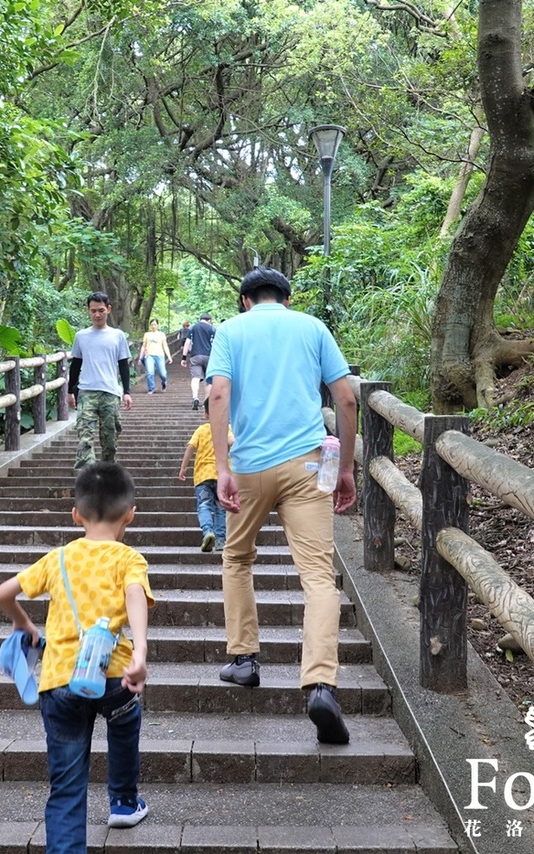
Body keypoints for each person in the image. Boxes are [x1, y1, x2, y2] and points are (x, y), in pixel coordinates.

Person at [205, 267, 358, 745]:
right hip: (308, 466)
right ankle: (320, 684)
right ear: (286, 299)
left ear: (246, 300)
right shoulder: (312, 327)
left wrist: (222, 467)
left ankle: (245, 659)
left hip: (250, 465)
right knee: (316, 575)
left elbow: (218, 394)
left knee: (237, 557)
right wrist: (347, 468)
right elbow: (347, 399)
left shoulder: (230, 330)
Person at [0, 462, 155, 851]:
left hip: (60, 680)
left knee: (66, 787)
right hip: (114, 675)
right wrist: (142, 648)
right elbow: (135, 595)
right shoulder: (128, 558)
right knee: (125, 715)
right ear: (130, 513)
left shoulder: (57, 559)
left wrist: (26, 627)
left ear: (76, 514)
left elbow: (2, 594)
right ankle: (123, 801)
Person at [68, 292, 133, 470]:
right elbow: (76, 364)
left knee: (110, 439)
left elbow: (123, 365)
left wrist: (127, 392)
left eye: (101, 310)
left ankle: (107, 474)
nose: (97, 315)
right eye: (93, 311)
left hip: (110, 392)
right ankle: (85, 477)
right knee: (85, 436)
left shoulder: (118, 336)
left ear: (108, 310)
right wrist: (69, 391)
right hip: (86, 391)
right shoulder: (81, 336)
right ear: (88, 311)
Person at [177, 399, 233, 552]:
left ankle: (208, 532)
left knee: (204, 505)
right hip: (221, 476)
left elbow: (190, 447)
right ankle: (221, 540)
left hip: (202, 477)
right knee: (221, 508)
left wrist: (183, 468)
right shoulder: (227, 429)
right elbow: (232, 442)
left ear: (206, 414)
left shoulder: (201, 430)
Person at [180, 312, 216, 411]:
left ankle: (195, 397)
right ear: (209, 320)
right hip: (209, 356)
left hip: (195, 356)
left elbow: (187, 342)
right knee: (208, 380)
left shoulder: (192, 328)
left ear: (200, 319)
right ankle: (206, 402)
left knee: (195, 378)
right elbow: (216, 343)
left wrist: (184, 357)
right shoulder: (212, 329)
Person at [137, 319, 170, 394]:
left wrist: (169, 356)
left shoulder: (162, 334)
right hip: (149, 355)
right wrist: (140, 357)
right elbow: (143, 346)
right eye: (152, 324)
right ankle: (151, 388)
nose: (153, 326)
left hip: (159, 355)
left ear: (157, 325)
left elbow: (165, 346)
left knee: (163, 374)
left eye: (155, 324)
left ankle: (164, 382)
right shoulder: (147, 334)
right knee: (150, 372)